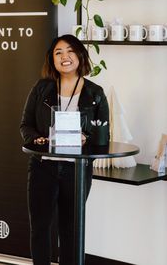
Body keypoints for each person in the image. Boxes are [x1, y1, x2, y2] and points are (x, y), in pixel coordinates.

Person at [20, 34, 109, 265]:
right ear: (52, 59)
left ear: (80, 55)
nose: (64, 56)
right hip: (42, 168)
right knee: (40, 228)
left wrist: (85, 138)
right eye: (58, 52)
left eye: (70, 51)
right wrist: (38, 139)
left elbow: (103, 137)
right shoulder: (41, 88)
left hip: (77, 172)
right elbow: (25, 125)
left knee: (70, 230)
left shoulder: (95, 93)